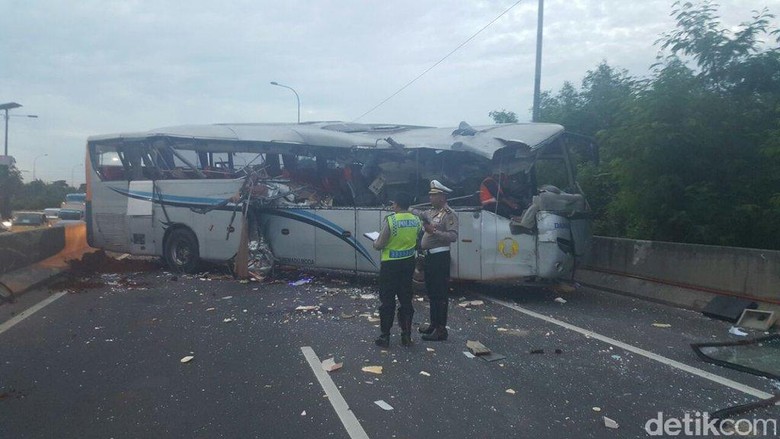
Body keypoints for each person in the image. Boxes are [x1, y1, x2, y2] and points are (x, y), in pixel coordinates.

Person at [371, 192, 422, 347]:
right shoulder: (416, 220)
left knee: (387, 301)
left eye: (393, 203)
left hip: (390, 265)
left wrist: (375, 241)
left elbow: (379, 244)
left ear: (397, 205)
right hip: (408, 264)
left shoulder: (391, 220)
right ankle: (406, 336)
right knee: (406, 300)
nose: (392, 206)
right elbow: (417, 239)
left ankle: (385, 336)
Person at [414, 180, 458, 341]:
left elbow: (453, 236)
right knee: (432, 293)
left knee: (440, 294)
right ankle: (433, 325)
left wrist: (435, 232)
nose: (430, 198)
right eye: (430, 195)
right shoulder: (432, 212)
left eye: (434, 195)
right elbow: (419, 213)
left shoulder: (449, 214)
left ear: (442, 196)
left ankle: (441, 329)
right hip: (430, 257)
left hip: (441, 257)